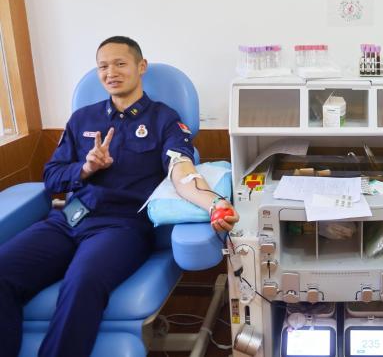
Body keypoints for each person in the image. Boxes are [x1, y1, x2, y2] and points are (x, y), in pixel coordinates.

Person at [0, 36, 238, 357]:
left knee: (82, 282)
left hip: (122, 227)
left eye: (120, 63)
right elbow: (52, 176)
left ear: (141, 67)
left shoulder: (164, 119)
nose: (110, 72)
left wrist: (215, 204)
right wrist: (85, 168)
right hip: (68, 219)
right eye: (103, 66)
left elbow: (181, 170)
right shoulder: (82, 119)